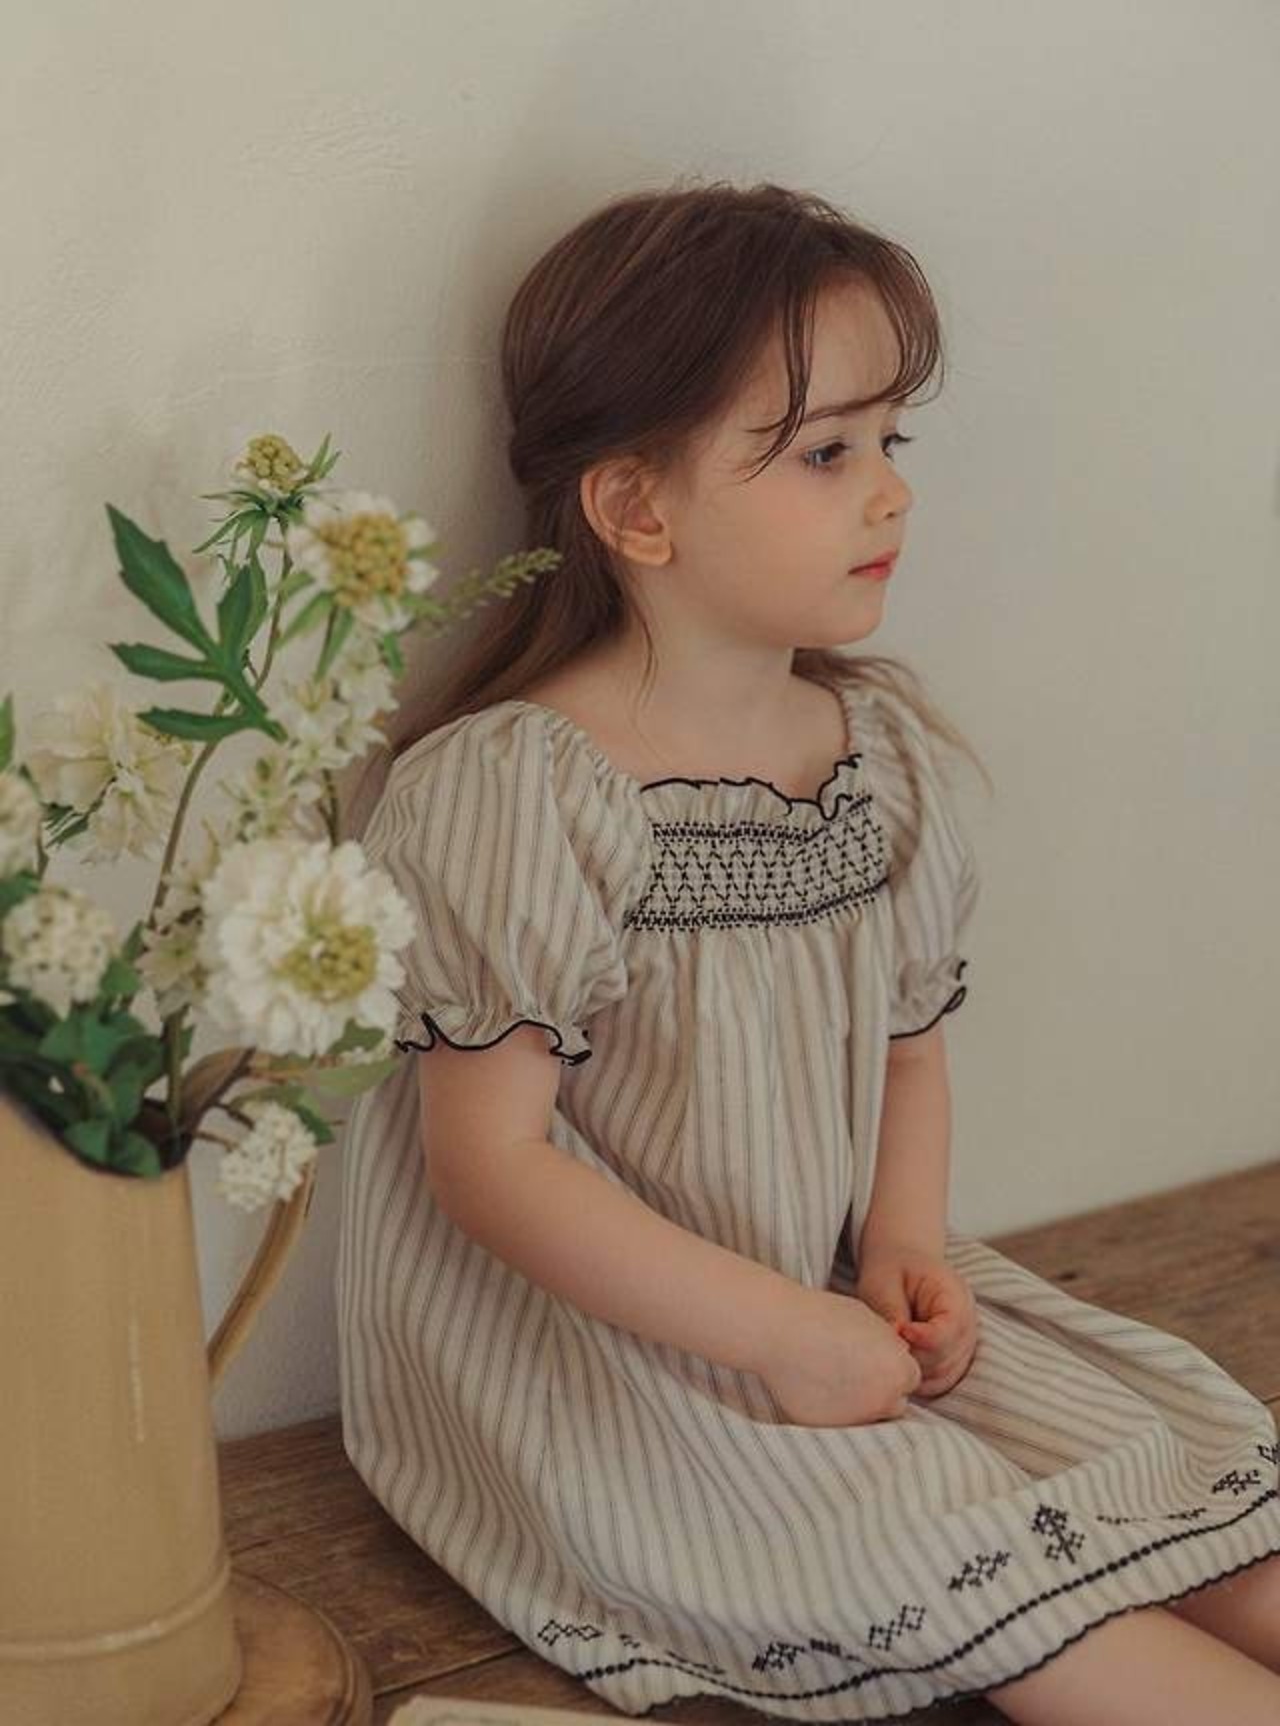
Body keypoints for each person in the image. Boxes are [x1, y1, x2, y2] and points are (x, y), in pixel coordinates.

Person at [336, 180, 1280, 1724]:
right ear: (637, 509)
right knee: (993, 1583)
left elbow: (908, 1047)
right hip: (626, 1359)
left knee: (1168, 1492)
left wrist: (903, 1243)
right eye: (828, 453)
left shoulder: (875, 756)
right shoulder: (522, 794)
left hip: (828, 1291)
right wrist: (777, 1333)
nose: (891, 494)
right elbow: (490, 1167)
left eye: (891, 442)